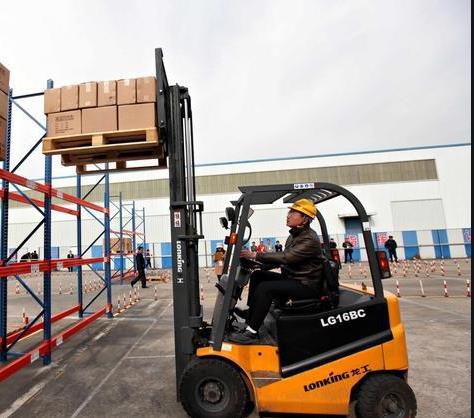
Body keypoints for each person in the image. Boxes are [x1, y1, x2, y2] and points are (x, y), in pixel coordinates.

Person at [229, 198, 324, 344]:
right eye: (289, 212)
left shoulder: (309, 239)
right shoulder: (294, 235)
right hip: (293, 278)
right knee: (258, 276)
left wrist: (255, 255)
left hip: (306, 285)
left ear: (305, 219)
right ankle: (252, 314)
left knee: (266, 288)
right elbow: (283, 260)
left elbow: (287, 257)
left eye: (293, 213)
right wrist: (260, 266)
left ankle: (252, 332)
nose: (288, 215)